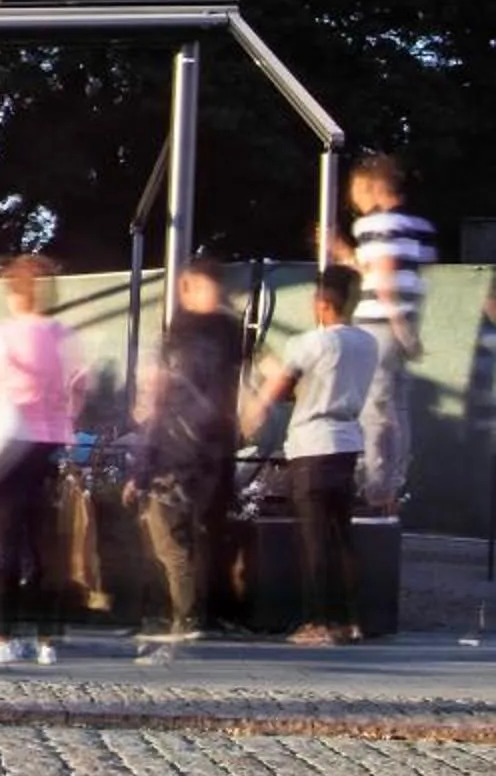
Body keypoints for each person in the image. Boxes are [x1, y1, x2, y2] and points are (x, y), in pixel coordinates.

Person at [0, 254, 86, 666]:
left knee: (4, 547)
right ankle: (47, 637)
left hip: (7, 448)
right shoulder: (65, 337)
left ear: (13, 293)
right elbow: (78, 391)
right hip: (49, 448)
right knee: (46, 547)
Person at [253, 263, 380, 646]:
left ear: (322, 302)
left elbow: (282, 390)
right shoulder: (368, 344)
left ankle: (318, 622)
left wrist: (266, 373)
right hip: (347, 444)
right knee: (343, 538)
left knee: (313, 541)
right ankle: (351, 621)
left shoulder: (309, 343)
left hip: (311, 446)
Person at [126, 263, 246, 642]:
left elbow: (160, 406)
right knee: (202, 536)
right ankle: (201, 615)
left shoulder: (182, 341)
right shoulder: (231, 336)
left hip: (175, 455)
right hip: (214, 453)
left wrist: (141, 470)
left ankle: (181, 616)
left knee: (169, 544)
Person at [347, 154, 432, 515]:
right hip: (402, 323)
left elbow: (382, 275)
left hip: (379, 324)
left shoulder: (376, 223)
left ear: (372, 187)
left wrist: (397, 323)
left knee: (373, 409)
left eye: (356, 190)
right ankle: (394, 485)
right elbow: (392, 272)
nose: (353, 199)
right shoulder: (417, 227)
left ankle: (374, 490)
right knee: (396, 407)